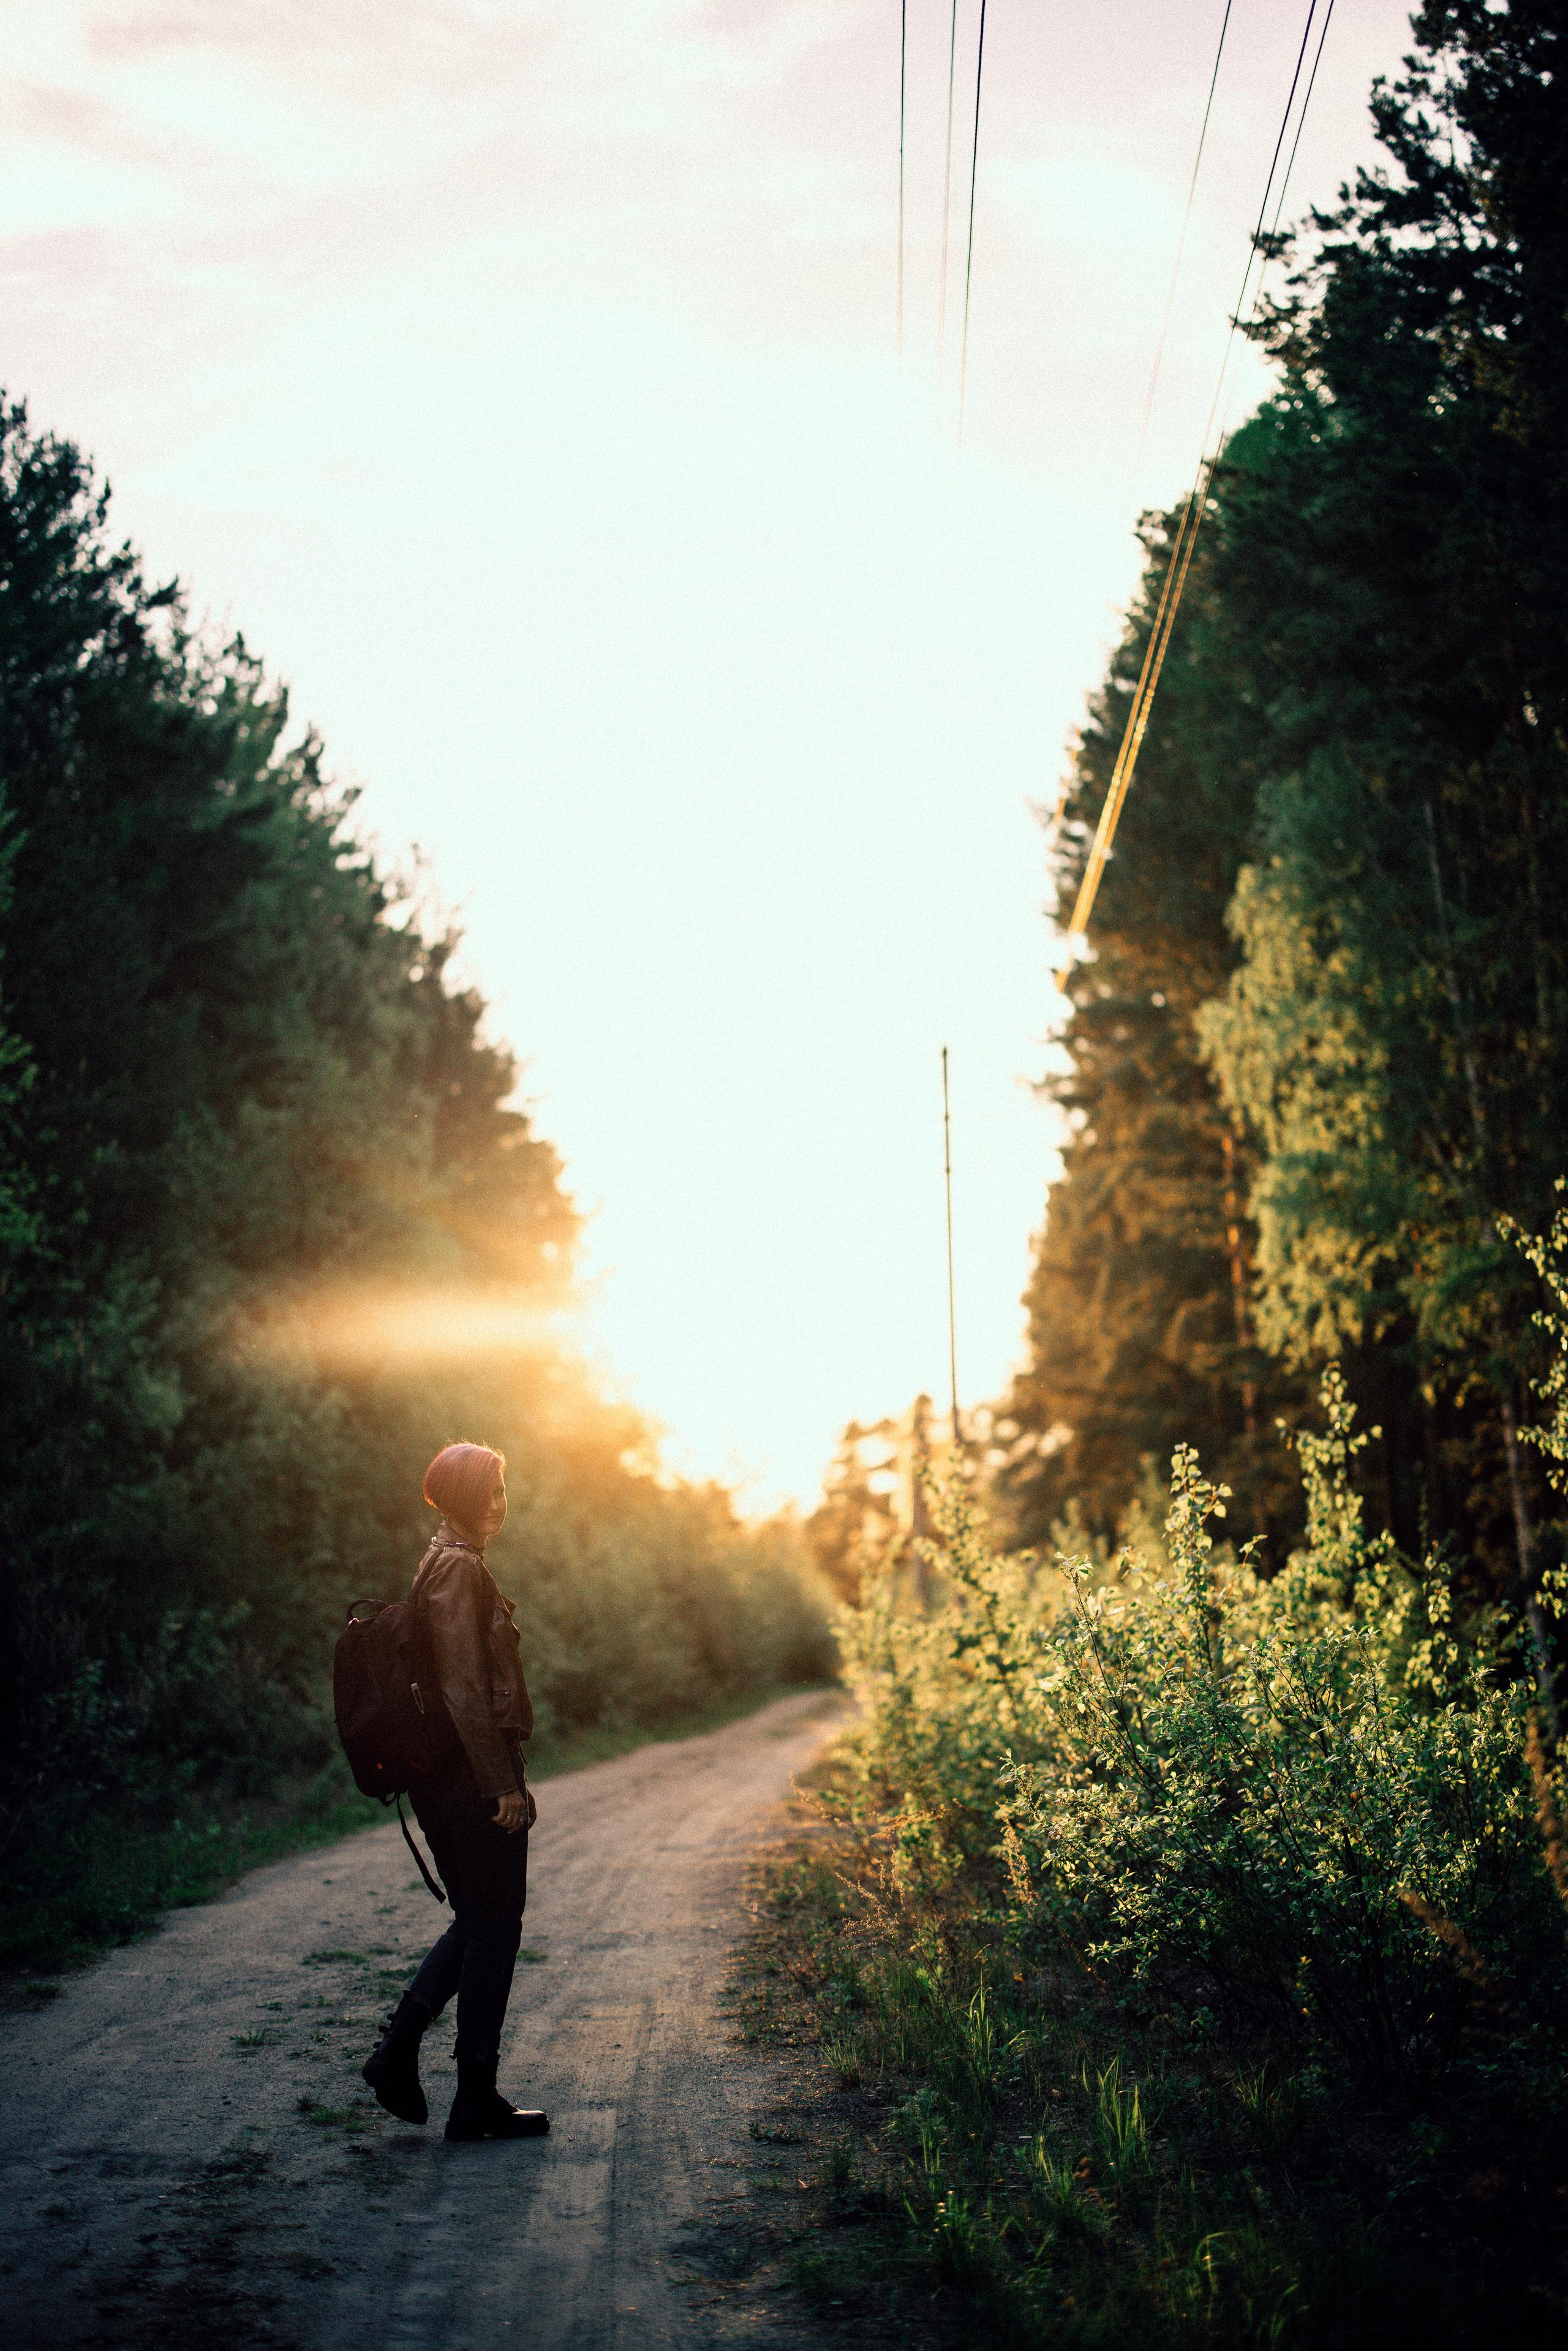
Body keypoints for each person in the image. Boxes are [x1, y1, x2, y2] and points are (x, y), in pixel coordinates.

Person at [361, 1441, 549, 2141]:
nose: (500, 1505)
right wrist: (501, 1784)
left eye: (503, 1491)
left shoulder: (441, 1561)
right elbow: (465, 1688)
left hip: (450, 1776)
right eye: (489, 1494)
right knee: (494, 1926)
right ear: (463, 1499)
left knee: (479, 1922)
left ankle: (408, 2059)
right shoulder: (458, 1570)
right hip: (469, 1777)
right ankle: (464, 2093)